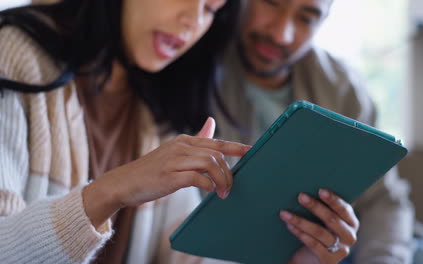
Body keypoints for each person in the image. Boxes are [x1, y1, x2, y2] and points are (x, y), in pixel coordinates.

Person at [0, 0, 359, 263]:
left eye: (209, 9)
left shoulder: (157, 108)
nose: (192, 21)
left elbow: (187, 258)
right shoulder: (13, 55)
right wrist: (112, 191)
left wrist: (297, 260)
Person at [215, 0, 415, 263]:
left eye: (306, 18)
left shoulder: (342, 88)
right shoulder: (192, 74)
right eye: (272, 3)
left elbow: (382, 200)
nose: (281, 34)